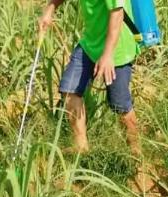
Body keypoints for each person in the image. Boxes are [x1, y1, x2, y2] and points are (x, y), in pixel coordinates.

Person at [39, 0, 146, 185]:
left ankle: (137, 155)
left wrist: (107, 55)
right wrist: (50, 10)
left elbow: (117, 13)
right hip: (90, 44)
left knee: (119, 104)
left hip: (117, 47)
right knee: (70, 90)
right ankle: (82, 149)